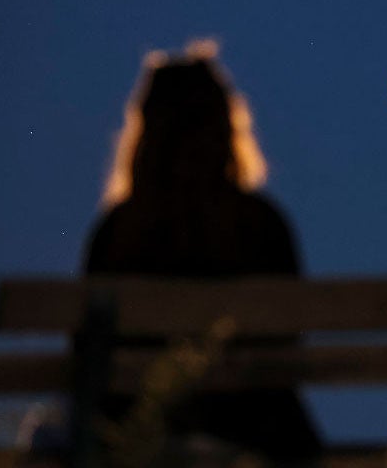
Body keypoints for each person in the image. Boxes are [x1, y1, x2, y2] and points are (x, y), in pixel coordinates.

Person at [81, 40, 321, 462]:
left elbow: (85, 350)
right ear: (227, 125)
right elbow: (289, 343)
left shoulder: (118, 231)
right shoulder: (262, 225)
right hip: (259, 435)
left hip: (135, 435)